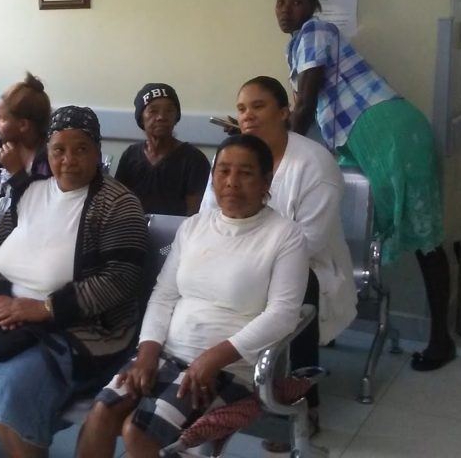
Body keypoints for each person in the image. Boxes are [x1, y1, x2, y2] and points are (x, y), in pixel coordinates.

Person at [0, 106, 149, 458]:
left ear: (97, 152)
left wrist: (45, 309)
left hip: (84, 329)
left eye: (81, 149)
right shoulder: (29, 193)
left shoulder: (119, 205)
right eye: (59, 149)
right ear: (47, 151)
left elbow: (120, 280)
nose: (68, 159)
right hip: (12, 320)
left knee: (9, 391)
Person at [77, 134, 309, 458]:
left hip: (230, 369)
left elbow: (283, 314)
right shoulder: (194, 227)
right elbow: (164, 294)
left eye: (245, 173)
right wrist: (147, 354)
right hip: (166, 354)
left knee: (138, 431)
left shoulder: (285, 236)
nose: (231, 182)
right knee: (102, 413)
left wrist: (212, 358)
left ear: (266, 181)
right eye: (223, 171)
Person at [277, 0, 455, 371]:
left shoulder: (316, 31)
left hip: (391, 133)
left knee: (426, 237)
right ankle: (334, 321)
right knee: (352, 226)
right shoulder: (299, 44)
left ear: (314, 7)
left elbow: (304, 106)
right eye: (281, 2)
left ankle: (441, 340)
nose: (287, 10)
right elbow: (300, 109)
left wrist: (279, 152)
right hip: (371, 136)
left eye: (298, 1)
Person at [200, 76, 357, 450]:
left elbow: (309, 242)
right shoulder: (233, 157)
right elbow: (209, 217)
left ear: (284, 112)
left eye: (259, 106)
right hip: (238, 258)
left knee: (299, 286)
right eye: (241, 109)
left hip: (310, 266)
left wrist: (248, 263)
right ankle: (220, 380)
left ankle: (303, 401)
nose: (248, 116)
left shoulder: (315, 165)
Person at [0, 72, 52, 253]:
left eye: (2, 118)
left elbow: (44, 205)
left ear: (23, 125)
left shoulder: (49, 154)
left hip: (40, 228)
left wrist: (17, 173)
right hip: (0, 221)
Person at [115, 83, 210, 216]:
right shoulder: (130, 156)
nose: (161, 117)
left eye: (169, 111)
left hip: (179, 229)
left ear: (176, 117)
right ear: (141, 118)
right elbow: (119, 204)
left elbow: (195, 216)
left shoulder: (194, 159)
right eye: (153, 111)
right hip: (133, 226)